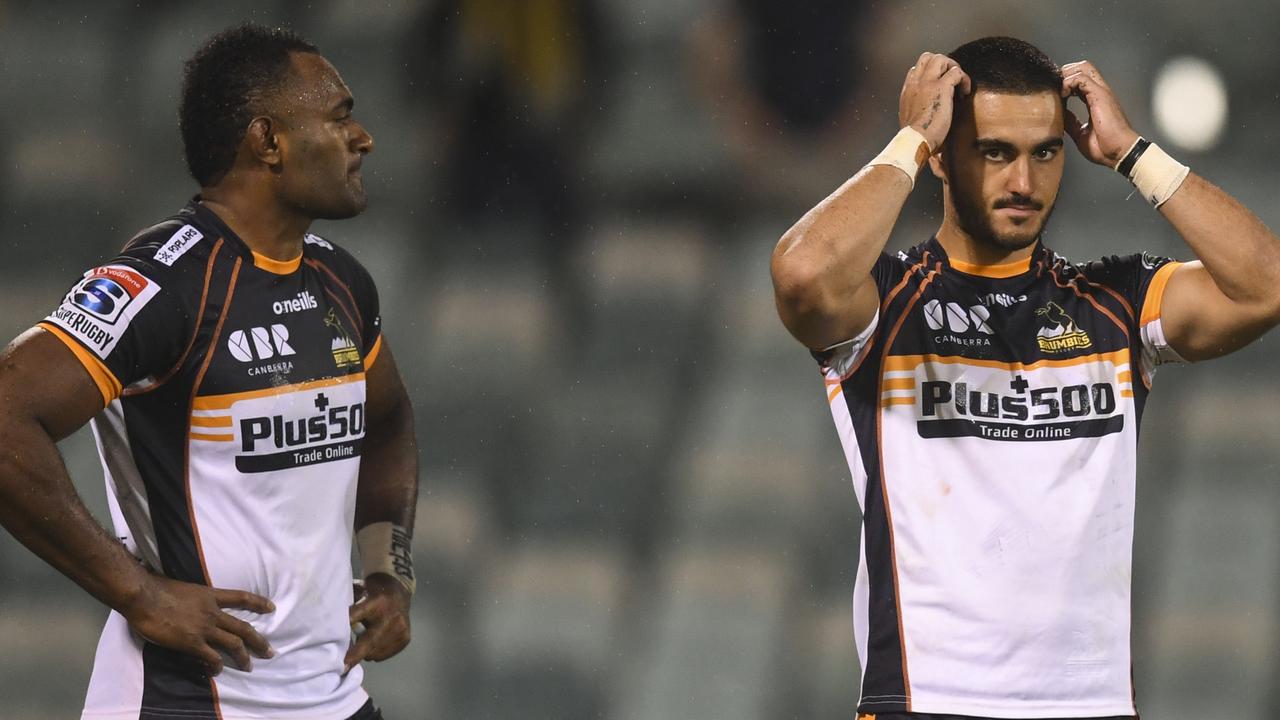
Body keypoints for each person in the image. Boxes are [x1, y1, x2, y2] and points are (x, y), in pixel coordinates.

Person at [770, 36, 1280, 720]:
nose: (1023, 182)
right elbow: (802, 277)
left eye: (1045, 152)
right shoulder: (888, 304)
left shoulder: (1114, 304)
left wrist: (1132, 152)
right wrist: (909, 142)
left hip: (1089, 706)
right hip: (928, 703)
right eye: (994, 152)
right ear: (946, 159)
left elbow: (1265, 286)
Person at [0, 24, 418, 720]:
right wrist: (140, 594)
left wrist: (388, 569)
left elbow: (392, 417)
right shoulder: (166, 284)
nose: (362, 137)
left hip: (334, 700)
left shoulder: (343, 281)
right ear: (269, 141)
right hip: (184, 698)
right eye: (340, 115)